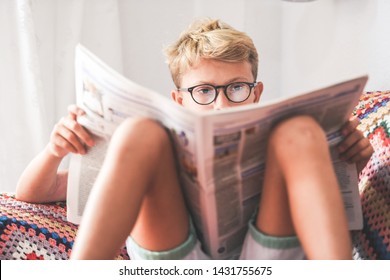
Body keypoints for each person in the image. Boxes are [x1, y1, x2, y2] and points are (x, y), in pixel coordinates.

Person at [16, 18, 373, 260]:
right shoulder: (149, 144)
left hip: (267, 260)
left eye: (236, 88)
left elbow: (332, 205)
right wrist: (54, 151)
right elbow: (32, 194)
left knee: (299, 131)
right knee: (140, 133)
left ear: (256, 92)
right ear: (179, 99)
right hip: (175, 260)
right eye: (203, 91)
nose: (220, 104)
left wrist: (348, 159)